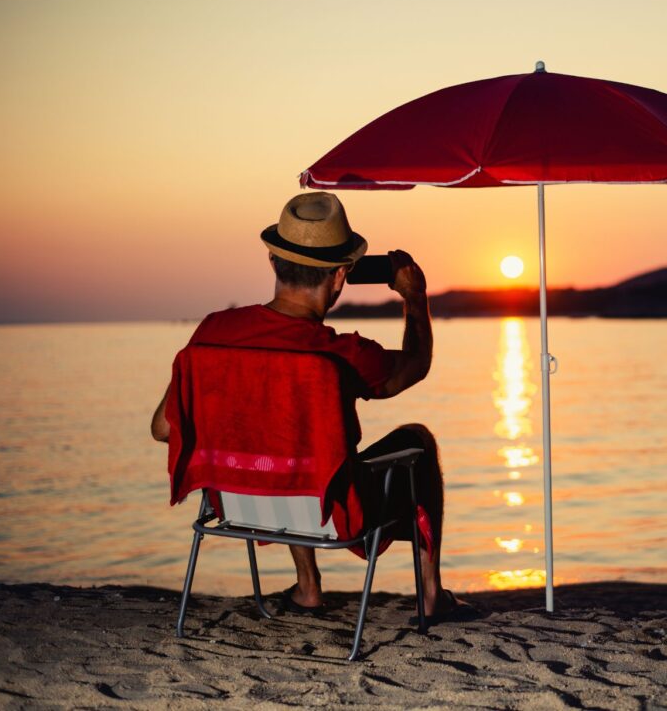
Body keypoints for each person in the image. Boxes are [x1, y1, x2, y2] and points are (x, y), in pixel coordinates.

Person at [150, 191, 465, 621]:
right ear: (339, 277)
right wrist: (414, 297)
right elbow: (416, 365)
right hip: (326, 512)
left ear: (274, 262)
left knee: (287, 439)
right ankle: (430, 596)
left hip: (237, 502)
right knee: (417, 442)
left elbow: (163, 429)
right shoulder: (341, 353)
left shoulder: (212, 331)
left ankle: (308, 587)